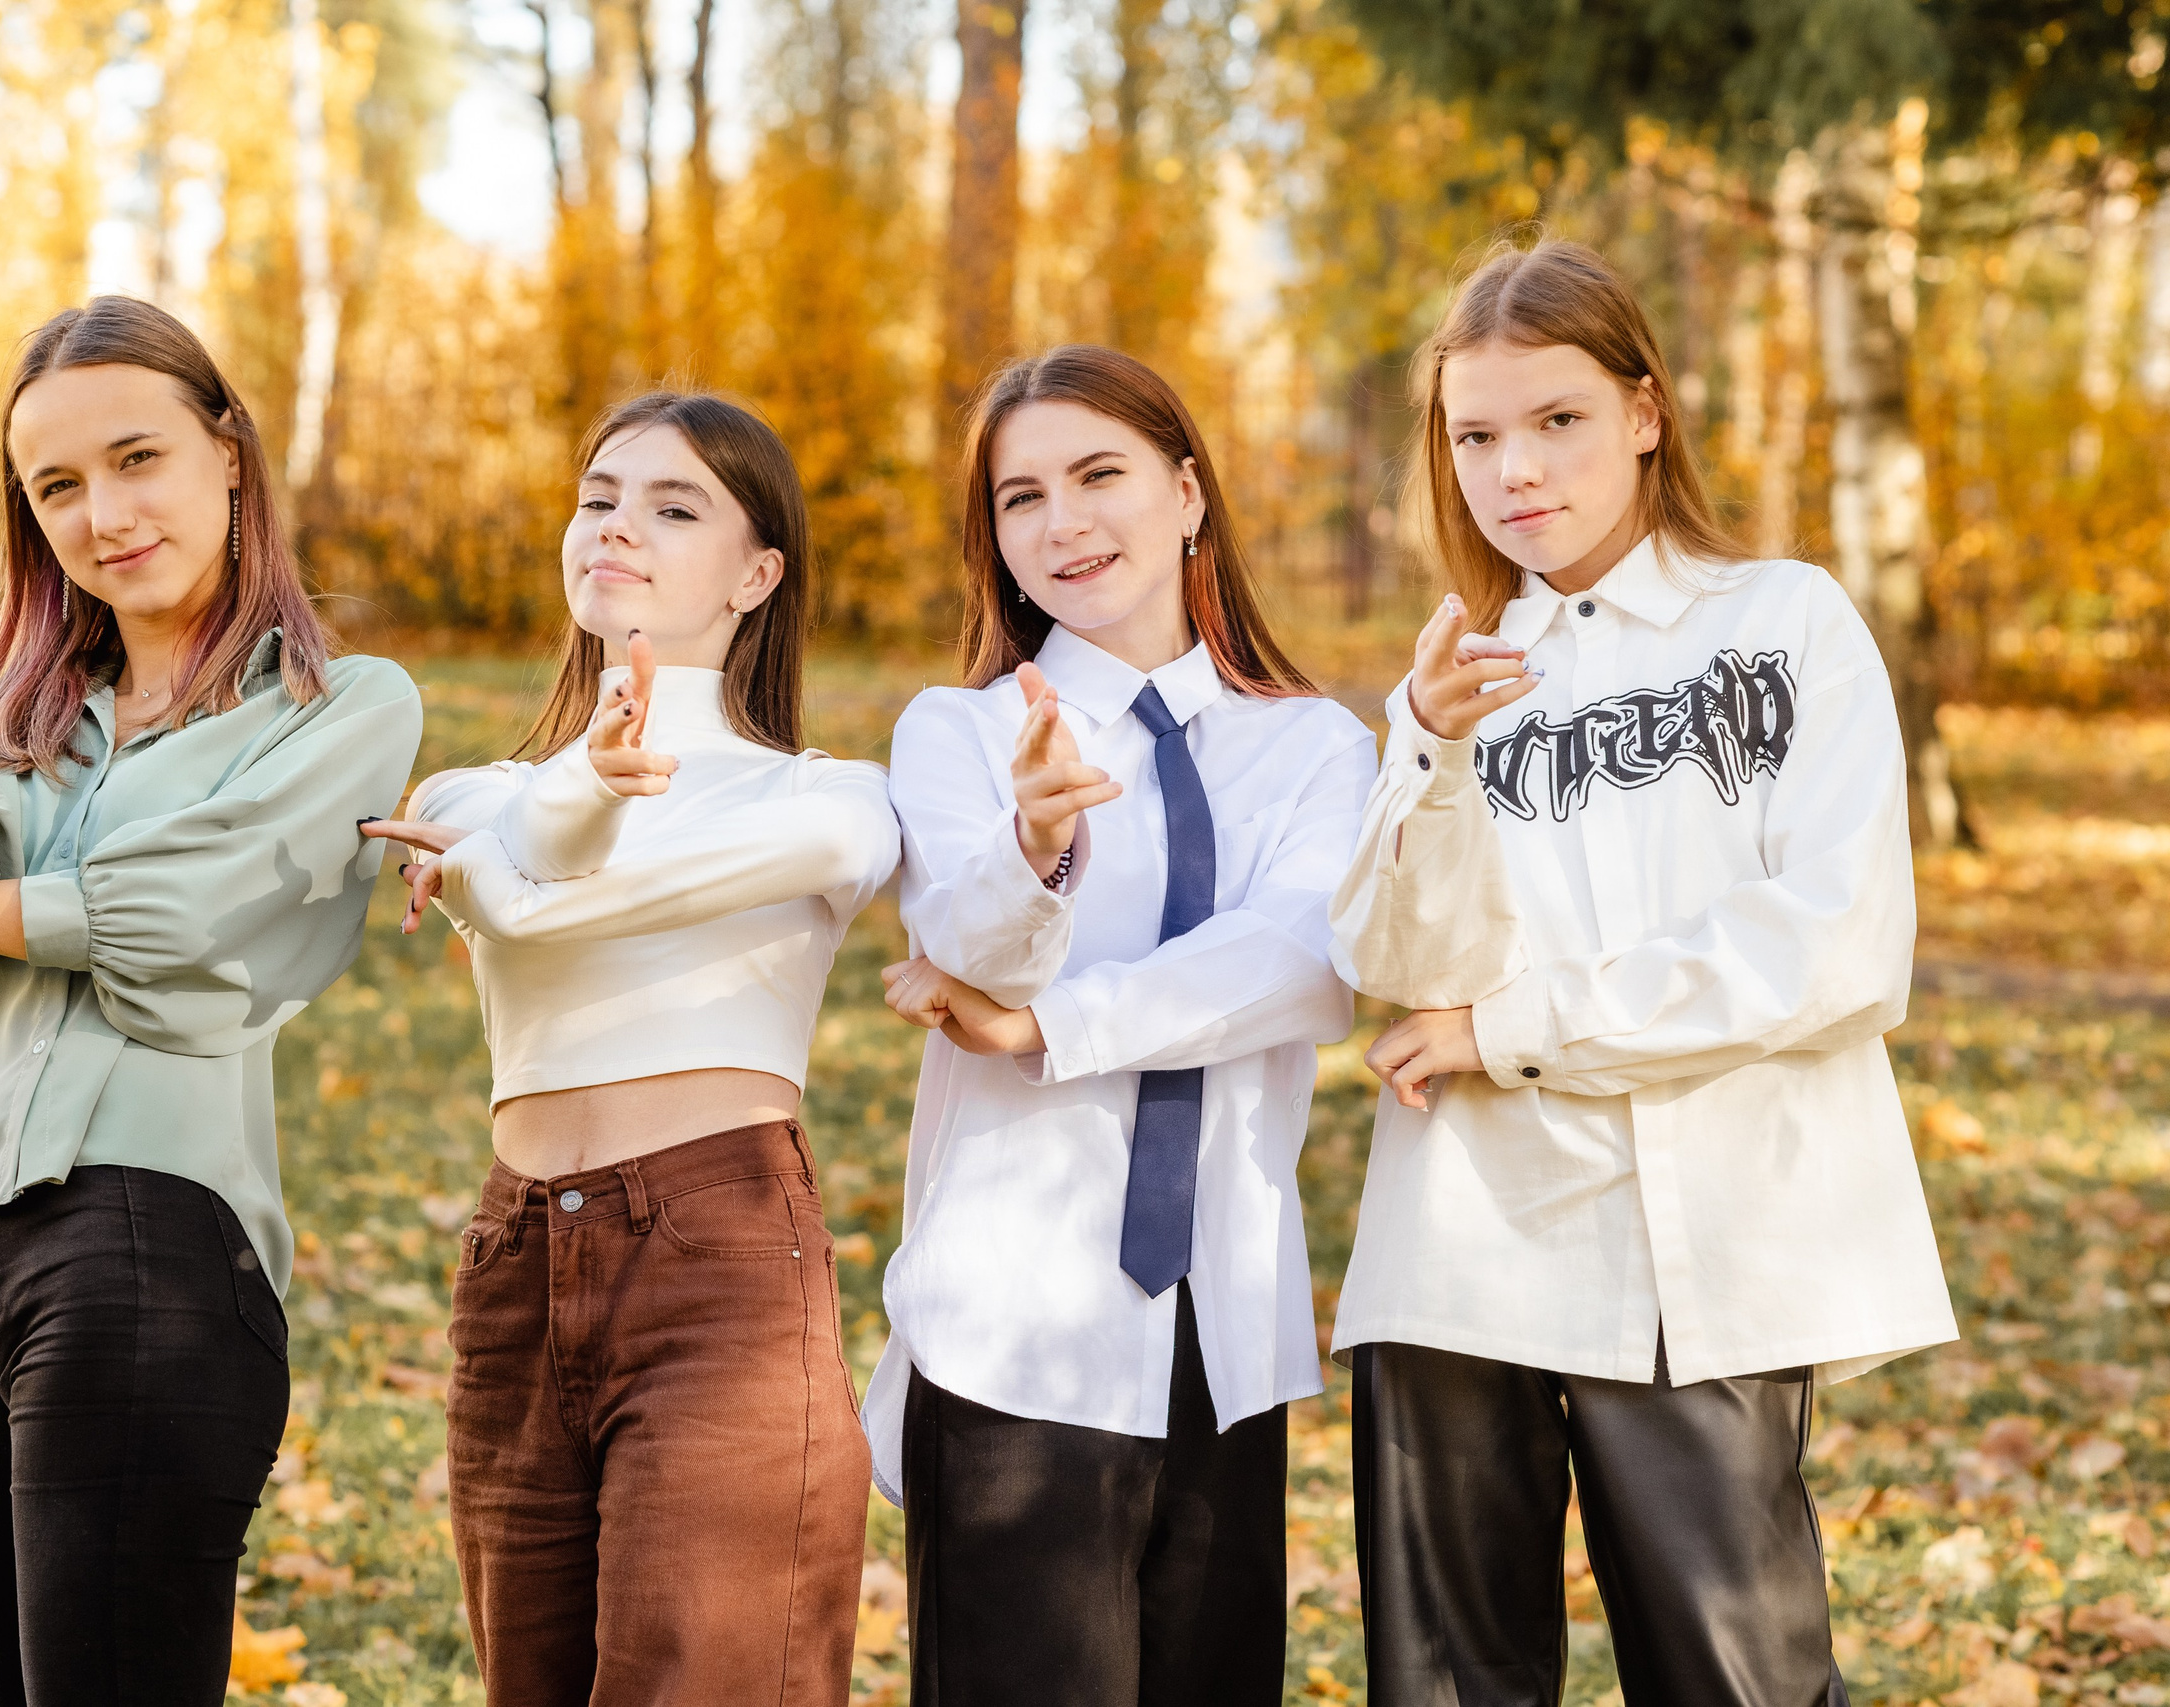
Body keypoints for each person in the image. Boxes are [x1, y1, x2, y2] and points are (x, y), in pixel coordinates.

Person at [1325, 238, 1957, 1705]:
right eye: (1475, 436)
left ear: (1646, 412)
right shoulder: (1460, 672)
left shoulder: (1785, 622)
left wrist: (1517, 1026)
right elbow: (1394, 962)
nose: (1515, 470)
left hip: (1713, 1246)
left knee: (1740, 1678)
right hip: (1460, 1246)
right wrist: (1431, 748)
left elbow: (1834, 945)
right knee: (1453, 1681)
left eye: (1558, 420)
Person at [0, 296, 423, 1707]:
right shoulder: (32, 715)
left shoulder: (342, 706)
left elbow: (160, 917)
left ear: (229, 453)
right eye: (56, 485)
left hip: (146, 1241)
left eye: (138, 460)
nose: (103, 515)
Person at [358, 391, 899, 1707]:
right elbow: (545, 852)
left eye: (674, 506)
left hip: (720, 1266)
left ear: (757, 575)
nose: (617, 526)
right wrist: (555, 810)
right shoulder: (478, 793)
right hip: (516, 1266)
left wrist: (498, 876)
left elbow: (536, 900)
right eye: (599, 497)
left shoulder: (828, 796)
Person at [870, 345, 1376, 1706]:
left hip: (1226, 1325)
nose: (1064, 523)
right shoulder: (956, 734)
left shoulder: (1315, 746)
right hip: (1014, 1320)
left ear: (1189, 495)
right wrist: (1036, 845)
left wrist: (1052, 1027)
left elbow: (1302, 966)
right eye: (1021, 498)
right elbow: (968, 952)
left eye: (1100, 475)